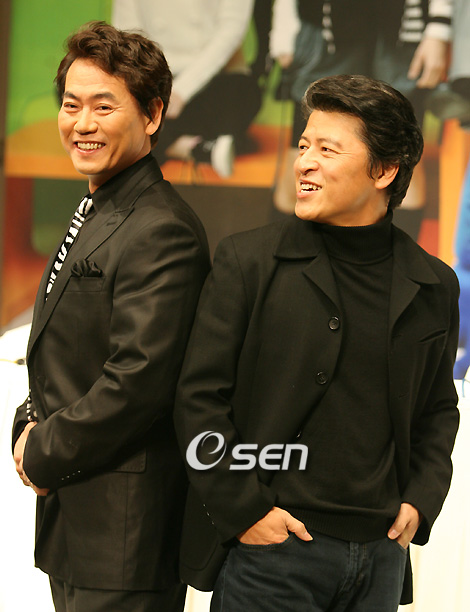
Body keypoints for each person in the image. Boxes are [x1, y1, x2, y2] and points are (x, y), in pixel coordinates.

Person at [174, 74, 460, 610]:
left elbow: (440, 409)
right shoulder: (248, 262)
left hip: (380, 557)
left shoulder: (434, 284)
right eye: (304, 146)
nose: (304, 162)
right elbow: (198, 401)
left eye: (327, 150)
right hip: (271, 555)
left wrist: (421, 499)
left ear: (384, 170)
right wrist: (246, 512)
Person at [12, 21, 210, 612]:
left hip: (126, 534)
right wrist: (27, 422)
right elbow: (64, 345)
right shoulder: (102, 204)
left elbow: (139, 380)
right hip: (81, 526)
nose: (82, 123)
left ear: (152, 115)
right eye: (71, 105)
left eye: (104, 106)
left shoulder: (162, 227)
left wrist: (43, 448)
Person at [269, 0, 452, 241]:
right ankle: (287, 260)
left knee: (402, 161)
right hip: (325, 27)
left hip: (401, 29)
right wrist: (283, 28)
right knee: (303, 155)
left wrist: (439, 29)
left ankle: (394, 264)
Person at [112, 0, 261, 178]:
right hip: (157, 76)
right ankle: (196, 148)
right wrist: (159, 87)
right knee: (128, 104)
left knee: (243, 95)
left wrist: (182, 91)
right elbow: (129, 37)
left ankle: (156, 141)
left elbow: (231, 31)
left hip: (217, 76)